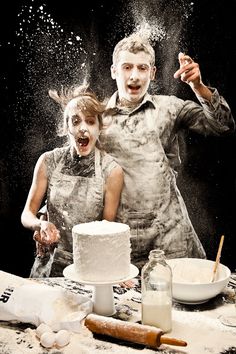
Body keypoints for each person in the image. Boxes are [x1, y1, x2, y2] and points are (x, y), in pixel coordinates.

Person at [99, 32, 235, 269]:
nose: (134, 76)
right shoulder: (96, 119)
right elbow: (78, 169)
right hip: (120, 241)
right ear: (113, 71)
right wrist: (49, 211)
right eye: (127, 67)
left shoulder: (170, 108)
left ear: (152, 73)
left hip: (171, 239)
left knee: (182, 302)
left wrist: (198, 86)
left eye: (142, 68)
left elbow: (223, 126)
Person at [21, 84, 124, 277]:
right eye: (75, 121)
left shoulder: (112, 171)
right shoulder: (48, 161)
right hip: (48, 263)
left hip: (88, 266)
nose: (83, 128)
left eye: (90, 122)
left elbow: (107, 229)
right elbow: (27, 214)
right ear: (66, 127)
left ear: (99, 128)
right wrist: (40, 225)